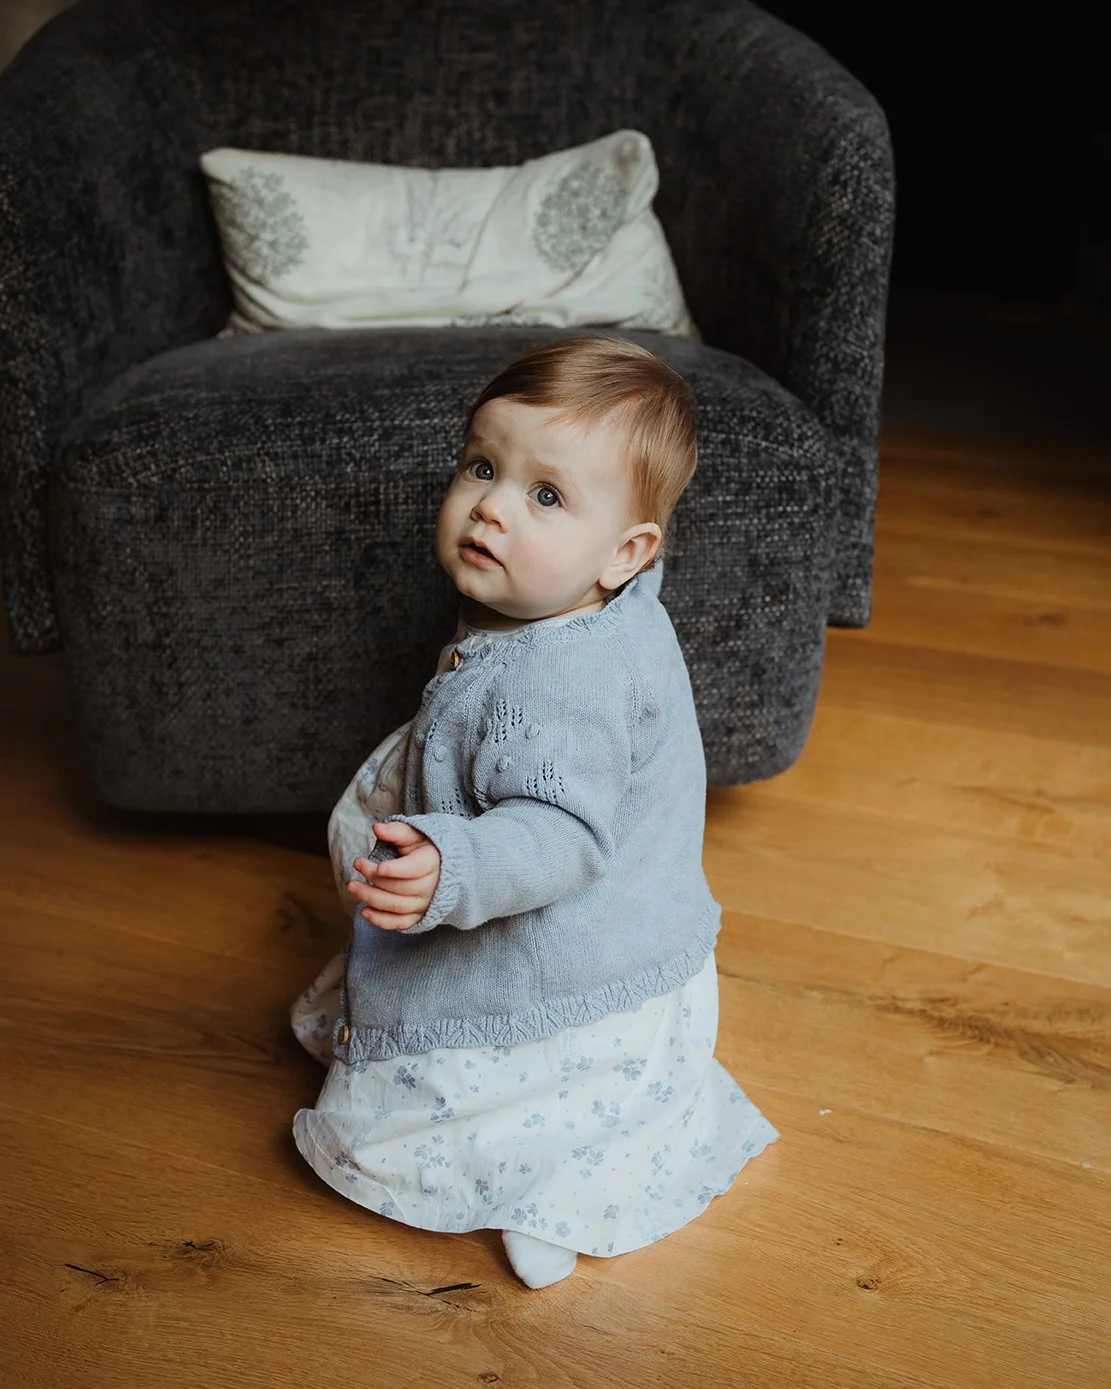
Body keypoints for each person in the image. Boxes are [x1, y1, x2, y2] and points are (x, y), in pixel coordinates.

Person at [291, 335, 777, 1289]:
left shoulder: (567, 680)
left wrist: (457, 867)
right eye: (482, 465)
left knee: (429, 1093)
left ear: (624, 553)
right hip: (641, 934)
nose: (492, 506)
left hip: (569, 975)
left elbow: (558, 834)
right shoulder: (601, 596)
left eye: (546, 496)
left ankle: (547, 1189)